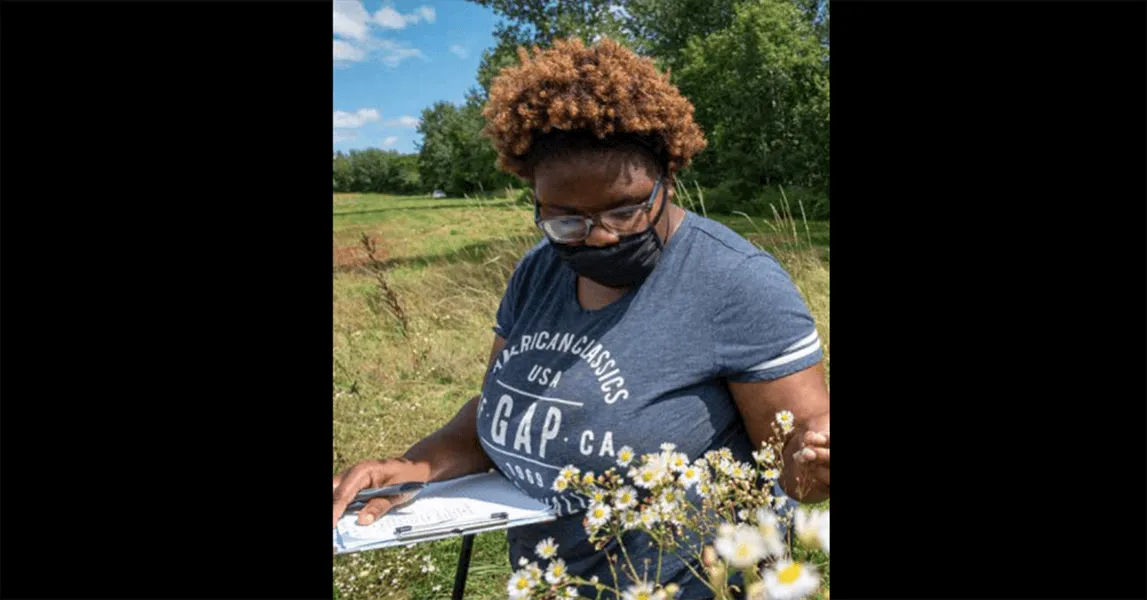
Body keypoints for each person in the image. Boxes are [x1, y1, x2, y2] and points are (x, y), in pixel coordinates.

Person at [332, 37, 830, 598]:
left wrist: (815, 457)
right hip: (547, 581)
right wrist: (416, 466)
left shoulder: (737, 284)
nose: (598, 236)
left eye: (625, 210)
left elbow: (797, 469)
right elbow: (504, 406)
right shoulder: (537, 273)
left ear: (667, 178)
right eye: (565, 220)